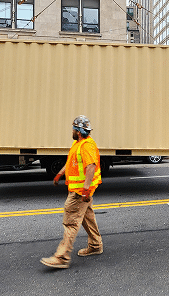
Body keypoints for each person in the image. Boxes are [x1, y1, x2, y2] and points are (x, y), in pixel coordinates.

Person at [40, 115, 103, 269]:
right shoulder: (78, 144)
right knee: (87, 218)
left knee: (71, 222)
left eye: (73, 129)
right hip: (80, 190)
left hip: (79, 192)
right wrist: (60, 174)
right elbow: (71, 164)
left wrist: (85, 190)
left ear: (78, 131)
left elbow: (91, 167)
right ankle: (95, 245)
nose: (72, 132)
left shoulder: (86, 146)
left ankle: (61, 257)